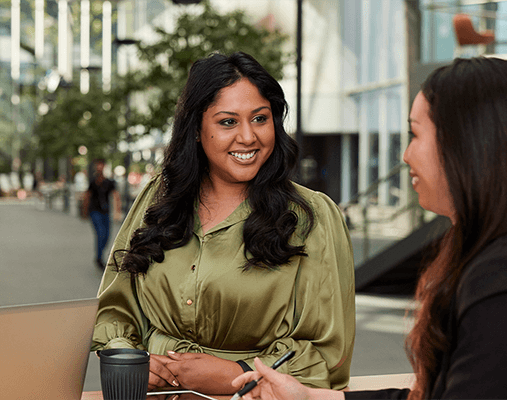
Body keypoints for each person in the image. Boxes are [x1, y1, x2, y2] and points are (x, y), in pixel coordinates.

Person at [231, 57, 507, 400]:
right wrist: (310, 397)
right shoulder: (500, 257)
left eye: (415, 134)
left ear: (467, 145)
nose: (405, 155)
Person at [91, 52, 355, 395]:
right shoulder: (159, 198)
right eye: (228, 122)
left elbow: (328, 353)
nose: (248, 137)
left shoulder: (312, 217)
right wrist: (129, 356)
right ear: (196, 130)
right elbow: (115, 307)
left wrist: (238, 372)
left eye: (260, 119)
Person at [82, 158, 121, 269]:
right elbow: (87, 196)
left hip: (105, 212)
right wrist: (84, 212)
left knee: (107, 235)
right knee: (100, 233)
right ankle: (99, 258)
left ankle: (100, 254)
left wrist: (117, 211)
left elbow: (116, 196)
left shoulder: (109, 182)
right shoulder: (92, 182)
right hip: (95, 211)